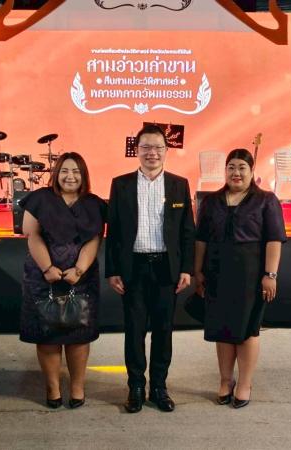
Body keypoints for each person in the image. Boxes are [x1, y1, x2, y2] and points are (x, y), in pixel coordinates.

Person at [106, 124, 195, 413]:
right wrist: (112, 270)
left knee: (163, 330)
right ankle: (135, 387)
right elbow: (113, 231)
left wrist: (186, 268)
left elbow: (187, 230)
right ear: (137, 150)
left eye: (158, 147)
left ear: (166, 151)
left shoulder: (179, 184)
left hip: (166, 269)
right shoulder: (120, 184)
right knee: (134, 330)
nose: (152, 153)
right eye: (145, 147)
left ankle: (159, 387)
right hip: (133, 267)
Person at [194, 148, 286, 408]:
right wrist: (198, 271)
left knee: (247, 331)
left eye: (242, 168)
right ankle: (226, 380)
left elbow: (274, 240)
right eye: (231, 167)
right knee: (222, 330)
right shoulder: (211, 201)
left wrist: (270, 275)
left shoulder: (266, 200)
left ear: (252, 171)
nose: (236, 173)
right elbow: (201, 239)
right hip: (216, 273)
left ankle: (245, 383)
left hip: (251, 276)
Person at [19, 152, 106, 409]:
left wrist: (79, 269)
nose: (70, 176)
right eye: (65, 171)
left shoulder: (94, 203)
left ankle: (77, 387)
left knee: (79, 334)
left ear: (84, 175)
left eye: (76, 171)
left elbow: (94, 239)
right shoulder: (39, 198)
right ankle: (53, 387)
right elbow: (32, 235)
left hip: (81, 277)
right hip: (43, 275)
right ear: (56, 173)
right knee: (47, 335)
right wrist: (47, 268)